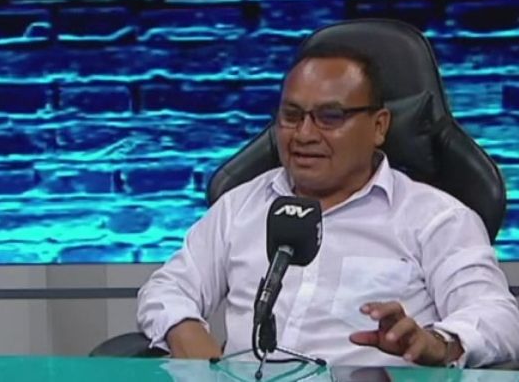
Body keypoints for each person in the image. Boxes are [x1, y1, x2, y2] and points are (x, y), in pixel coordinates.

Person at [138, 43, 519, 367]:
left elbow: (498, 316)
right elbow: (168, 287)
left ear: (379, 126)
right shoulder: (241, 206)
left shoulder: (436, 218)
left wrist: (440, 342)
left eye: (330, 117)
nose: (304, 134)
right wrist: (188, 336)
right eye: (291, 116)